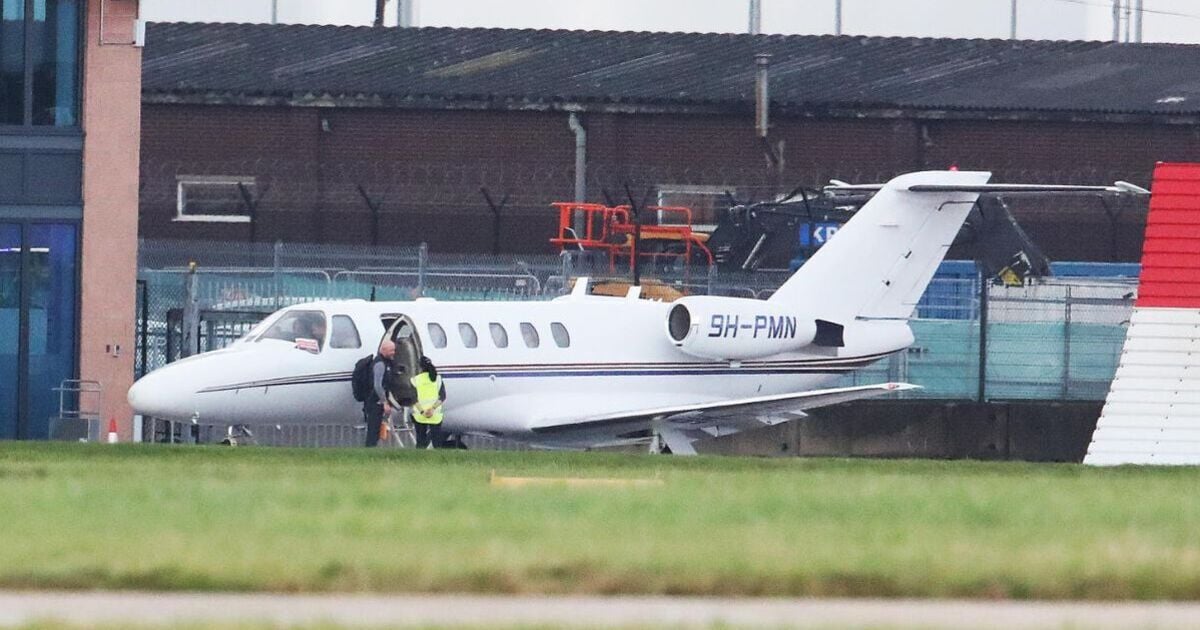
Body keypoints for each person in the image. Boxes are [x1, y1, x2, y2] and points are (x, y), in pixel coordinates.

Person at [409, 355, 447, 449]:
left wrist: (422, 411)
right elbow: (442, 396)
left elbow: (413, 398)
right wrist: (432, 409)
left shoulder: (415, 380)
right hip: (435, 414)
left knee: (421, 440)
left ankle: (420, 460)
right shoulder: (438, 379)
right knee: (437, 441)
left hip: (420, 414)